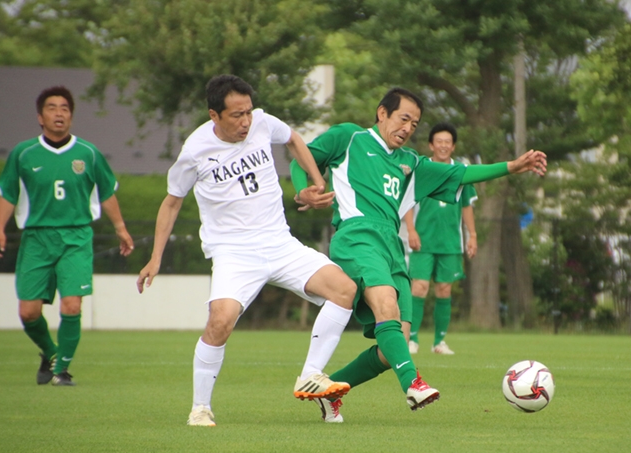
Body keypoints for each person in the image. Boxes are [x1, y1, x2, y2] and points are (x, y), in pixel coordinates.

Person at [290, 87, 546, 422]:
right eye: (404, 118)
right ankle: (413, 383)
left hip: (391, 248)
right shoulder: (349, 137)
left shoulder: (411, 163)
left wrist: (511, 166)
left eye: (415, 123)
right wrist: (304, 190)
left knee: (390, 347)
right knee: (387, 307)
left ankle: (329, 391)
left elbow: (462, 174)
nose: (409, 127)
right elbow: (303, 158)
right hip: (356, 236)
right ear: (382, 113)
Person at [136, 74, 357, 427]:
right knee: (220, 321)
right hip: (233, 252)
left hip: (279, 243)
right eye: (236, 115)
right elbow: (172, 203)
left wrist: (317, 183)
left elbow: (296, 140)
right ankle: (200, 408)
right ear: (214, 115)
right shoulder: (194, 151)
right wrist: (156, 257)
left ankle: (310, 376)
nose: (245, 122)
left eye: (248, 113)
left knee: (345, 290)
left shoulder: (263, 124)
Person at [0, 86, 134, 386]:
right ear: (40, 117)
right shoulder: (23, 153)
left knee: (72, 305)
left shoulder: (88, 153)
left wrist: (121, 229)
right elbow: (8, 193)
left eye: (65, 109)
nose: (59, 113)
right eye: (52, 108)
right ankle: (51, 352)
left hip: (76, 237)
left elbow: (107, 192)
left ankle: (62, 371)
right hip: (37, 239)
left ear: (71, 116)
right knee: (28, 312)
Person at [403, 122, 477, 355]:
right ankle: (412, 339)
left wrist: (472, 235)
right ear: (431, 145)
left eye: (448, 142)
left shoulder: (461, 172)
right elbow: (407, 201)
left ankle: (439, 342)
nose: (443, 146)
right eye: (439, 141)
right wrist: (411, 230)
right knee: (419, 287)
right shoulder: (423, 168)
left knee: (444, 290)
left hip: (450, 243)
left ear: (453, 146)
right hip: (423, 241)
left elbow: (466, 207)